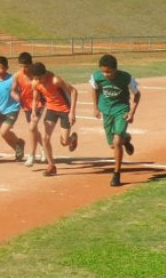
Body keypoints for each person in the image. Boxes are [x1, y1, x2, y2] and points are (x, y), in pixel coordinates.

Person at [90, 54, 140, 187]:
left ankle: (116, 174)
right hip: (106, 111)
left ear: (115, 69)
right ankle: (126, 139)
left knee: (116, 142)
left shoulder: (126, 78)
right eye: (103, 71)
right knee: (113, 145)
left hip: (121, 110)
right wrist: (95, 107)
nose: (106, 74)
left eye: (109, 71)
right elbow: (94, 89)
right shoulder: (96, 77)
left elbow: (137, 94)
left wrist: (131, 112)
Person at [28, 62, 79, 177]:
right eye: (35, 78)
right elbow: (35, 98)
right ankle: (51, 166)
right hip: (51, 109)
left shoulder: (55, 80)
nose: (38, 80)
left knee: (64, 142)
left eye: (39, 78)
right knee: (45, 139)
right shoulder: (36, 83)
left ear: (45, 74)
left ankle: (72, 138)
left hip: (65, 110)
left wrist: (72, 112)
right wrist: (33, 111)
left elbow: (74, 91)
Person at [0, 56, 26, 161]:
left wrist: (22, 101)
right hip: (1, 110)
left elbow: (22, 91)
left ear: (7, 68)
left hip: (13, 108)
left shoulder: (13, 79)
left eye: (1, 68)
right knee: (5, 135)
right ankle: (18, 148)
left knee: (3, 131)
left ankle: (19, 143)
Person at [11, 52, 45, 166]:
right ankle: (43, 148)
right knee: (33, 129)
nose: (23, 69)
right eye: (21, 66)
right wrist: (16, 97)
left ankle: (32, 155)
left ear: (31, 65)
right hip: (26, 105)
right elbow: (13, 90)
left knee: (32, 127)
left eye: (26, 66)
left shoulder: (36, 74)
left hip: (39, 103)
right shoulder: (17, 76)